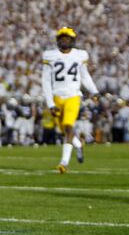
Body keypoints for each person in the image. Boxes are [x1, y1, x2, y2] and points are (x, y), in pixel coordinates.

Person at [42, 27, 99, 173]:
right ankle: (78, 145)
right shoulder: (50, 55)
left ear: (73, 40)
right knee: (63, 130)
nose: (64, 40)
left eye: (67, 38)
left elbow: (85, 76)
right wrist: (50, 103)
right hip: (56, 96)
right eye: (62, 38)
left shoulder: (80, 55)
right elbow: (46, 81)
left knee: (68, 126)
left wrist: (94, 91)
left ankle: (64, 162)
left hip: (73, 95)